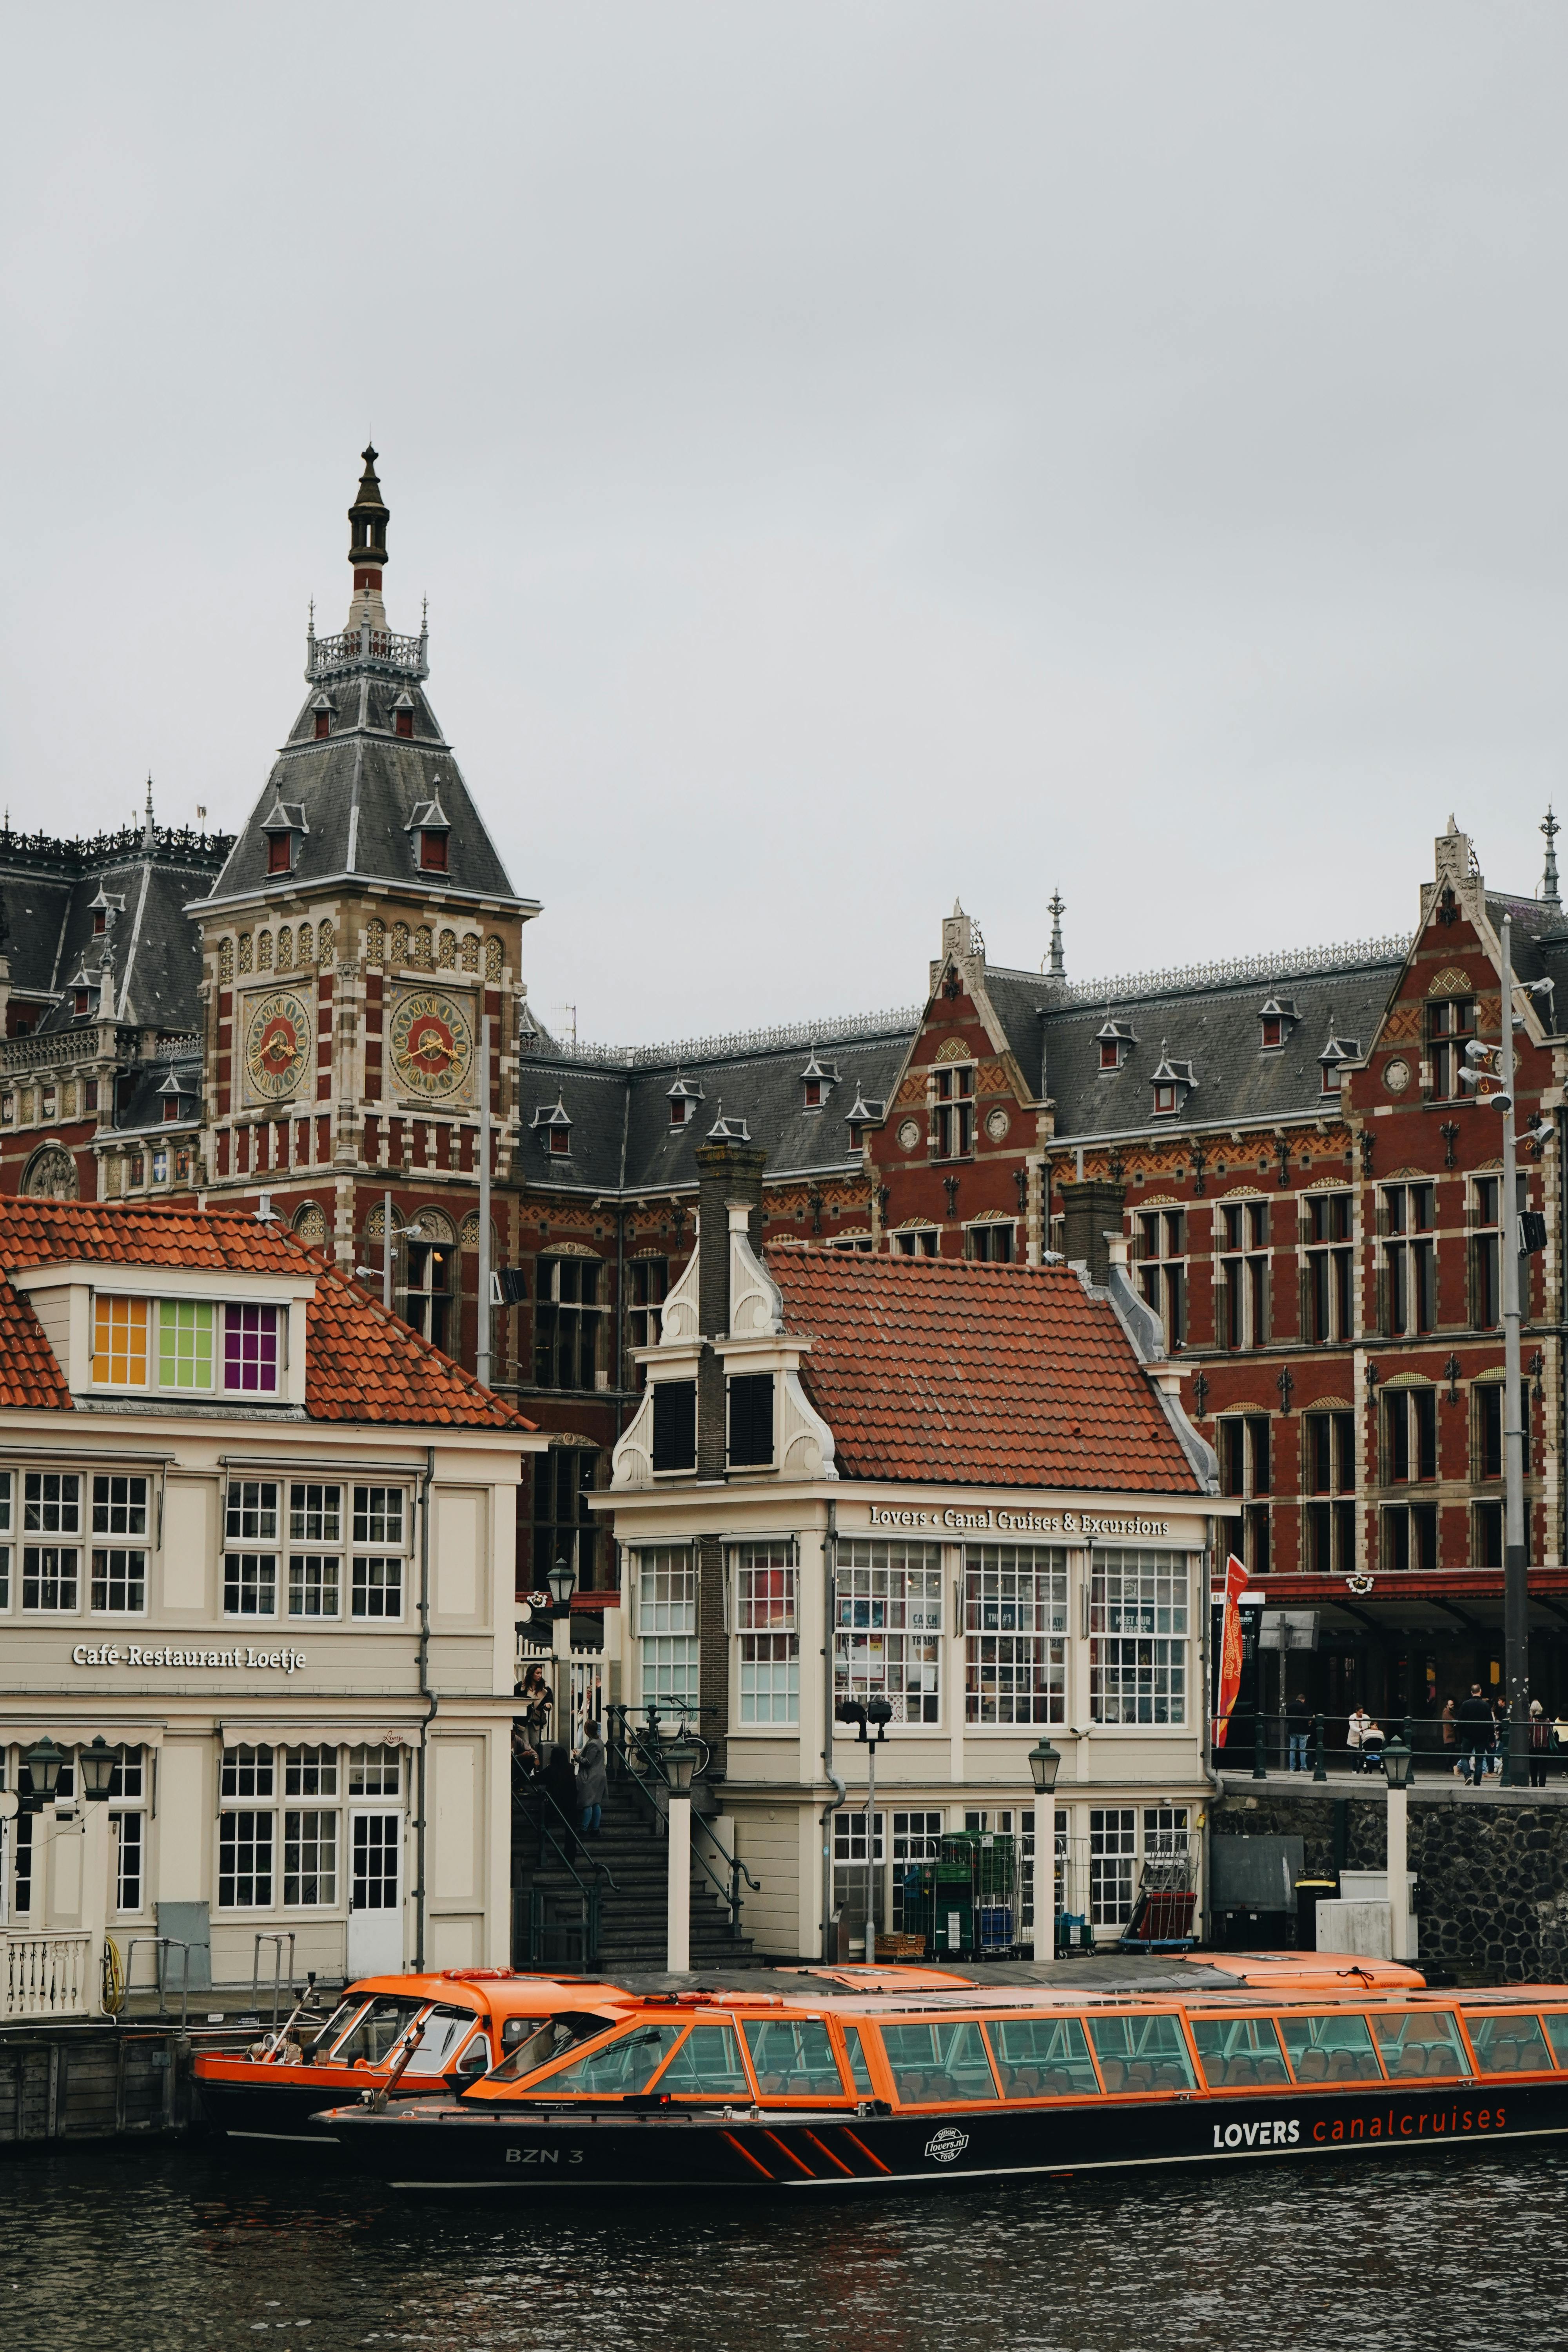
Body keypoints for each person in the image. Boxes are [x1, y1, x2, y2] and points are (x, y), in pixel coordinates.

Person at [1456, 1684, 1492, 1787]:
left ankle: (1468, 1776)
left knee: (1465, 1756)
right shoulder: (1486, 1705)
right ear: (1480, 1692)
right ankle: (1477, 1782)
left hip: (1468, 1735)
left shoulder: (1465, 1704)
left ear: (1472, 1693)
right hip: (1482, 1736)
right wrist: (1492, 1738)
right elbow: (1490, 1723)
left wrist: (1461, 1733)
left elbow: (1460, 1721)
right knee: (1480, 1759)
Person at [577, 1719, 608, 1837]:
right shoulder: (599, 1741)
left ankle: (584, 1828)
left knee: (588, 1803)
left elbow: (588, 1762)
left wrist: (577, 1757)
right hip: (600, 1775)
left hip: (592, 1777)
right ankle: (596, 1828)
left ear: (586, 1730)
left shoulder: (593, 1744)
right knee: (596, 1804)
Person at [1285, 1692, 1312, 1773]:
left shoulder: (1290, 1706)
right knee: (1302, 1750)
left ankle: (1292, 1768)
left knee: (1292, 1749)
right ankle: (1303, 1767)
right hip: (1302, 1731)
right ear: (1303, 1700)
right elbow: (1307, 1719)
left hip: (1292, 1730)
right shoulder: (1303, 1706)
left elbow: (1287, 1719)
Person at [1528, 1700, 1552, 1789]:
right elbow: (1550, 1733)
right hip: (1545, 1747)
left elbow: (1529, 1735)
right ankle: (1542, 1785)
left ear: (1532, 1710)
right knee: (1543, 1767)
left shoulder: (1531, 1721)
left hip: (1534, 1747)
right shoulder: (1548, 1720)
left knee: (1533, 1767)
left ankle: (1534, 1785)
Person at [1347, 1706, 1374, 1772]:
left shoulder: (1366, 1717)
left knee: (1364, 1752)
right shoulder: (1352, 1717)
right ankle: (1354, 1770)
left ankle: (1365, 1767)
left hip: (1364, 1736)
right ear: (1357, 1711)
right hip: (1354, 1737)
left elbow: (1370, 1724)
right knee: (1354, 1755)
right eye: (1360, 1712)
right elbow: (1353, 1727)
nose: (1361, 1714)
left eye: (1362, 1712)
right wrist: (1360, 1730)